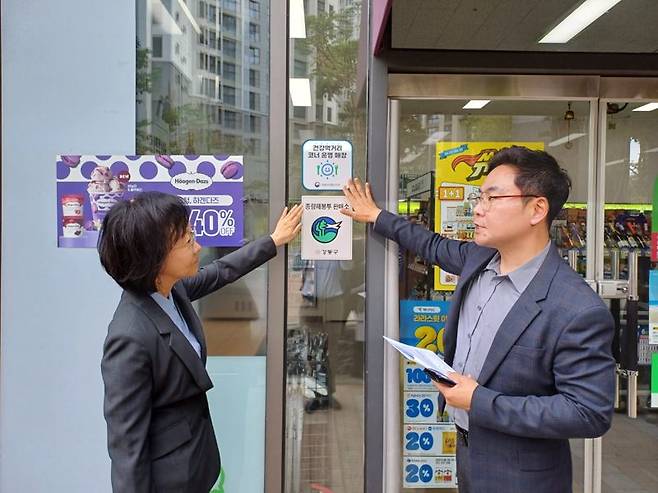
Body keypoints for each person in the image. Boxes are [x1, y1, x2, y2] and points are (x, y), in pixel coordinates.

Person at [342, 146, 615, 493]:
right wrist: (377, 216)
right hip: (468, 456)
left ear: (537, 209)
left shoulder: (576, 308)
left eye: (492, 197)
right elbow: (430, 244)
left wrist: (478, 401)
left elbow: (588, 412)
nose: (478, 209)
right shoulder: (479, 260)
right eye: (478, 197)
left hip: (522, 478)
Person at [99, 191, 302, 492]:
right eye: (187, 242)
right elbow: (127, 450)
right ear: (155, 258)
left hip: (201, 465)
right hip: (174, 482)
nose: (198, 247)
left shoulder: (169, 291)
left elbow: (220, 272)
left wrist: (273, 240)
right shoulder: (129, 338)